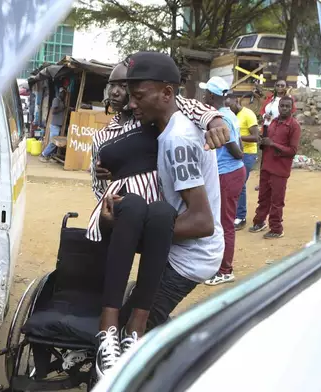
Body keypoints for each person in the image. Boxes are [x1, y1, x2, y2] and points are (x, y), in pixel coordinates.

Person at [90, 56, 229, 378]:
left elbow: (201, 223)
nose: (131, 103)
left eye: (139, 96)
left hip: (189, 258)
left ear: (166, 94)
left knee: (133, 341)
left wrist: (131, 231)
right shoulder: (162, 128)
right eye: (129, 94)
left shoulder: (177, 142)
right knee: (140, 325)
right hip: (172, 247)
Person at [198, 77, 246, 286]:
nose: (203, 96)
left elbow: (238, 153)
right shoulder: (227, 114)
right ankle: (217, 265)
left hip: (228, 174)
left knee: (225, 222)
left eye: (205, 92)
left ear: (211, 95)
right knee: (219, 220)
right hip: (227, 174)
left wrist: (226, 142)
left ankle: (225, 270)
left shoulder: (223, 119)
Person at [249, 96, 301, 239]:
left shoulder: (294, 126)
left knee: (277, 201)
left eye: (287, 106)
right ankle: (259, 222)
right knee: (263, 197)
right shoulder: (273, 122)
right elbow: (267, 142)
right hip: (266, 166)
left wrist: (272, 144)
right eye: (281, 106)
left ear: (292, 108)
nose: (284, 108)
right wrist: (263, 142)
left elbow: (292, 150)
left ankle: (276, 229)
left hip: (280, 169)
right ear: (278, 107)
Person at [227, 98, 260, 230]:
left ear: (237, 102)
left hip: (248, 154)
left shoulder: (248, 114)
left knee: (240, 185)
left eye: (231, 106)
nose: (229, 109)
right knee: (235, 184)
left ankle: (241, 217)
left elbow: (256, 137)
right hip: (235, 153)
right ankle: (235, 214)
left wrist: (237, 138)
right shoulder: (231, 116)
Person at [39, 87, 66, 162]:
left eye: (64, 93)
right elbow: (53, 111)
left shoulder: (61, 101)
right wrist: (62, 109)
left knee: (55, 142)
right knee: (53, 142)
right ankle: (43, 155)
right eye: (62, 93)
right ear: (59, 93)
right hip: (55, 125)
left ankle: (50, 156)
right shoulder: (56, 100)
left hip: (58, 125)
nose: (63, 94)